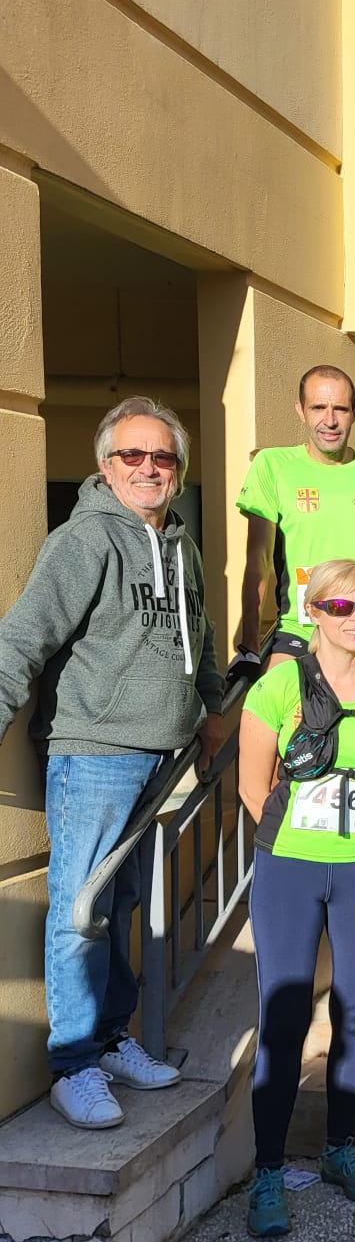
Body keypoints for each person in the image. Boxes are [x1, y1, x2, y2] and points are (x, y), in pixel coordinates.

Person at [0, 400, 224, 1129]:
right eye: (133, 456)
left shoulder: (182, 547)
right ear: (105, 466)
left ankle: (109, 1037)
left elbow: (203, 638)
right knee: (80, 911)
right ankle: (73, 1065)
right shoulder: (84, 541)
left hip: (158, 758)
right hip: (93, 753)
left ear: (178, 469)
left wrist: (212, 706)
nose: (149, 469)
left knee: (119, 908)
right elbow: (24, 638)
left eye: (162, 458)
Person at [237, 559, 355, 1236]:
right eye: (342, 607)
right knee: (283, 1021)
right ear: (313, 613)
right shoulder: (279, 684)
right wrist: (292, 850)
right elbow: (254, 787)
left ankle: (341, 1148)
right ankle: (267, 1172)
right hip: (290, 867)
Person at [234, 366, 355, 928]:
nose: (330, 419)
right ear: (300, 411)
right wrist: (249, 640)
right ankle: (289, 859)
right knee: (293, 748)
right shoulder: (272, 467)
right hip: (300, 631)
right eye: (319, 408)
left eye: (340, 408)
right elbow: (257, 563)